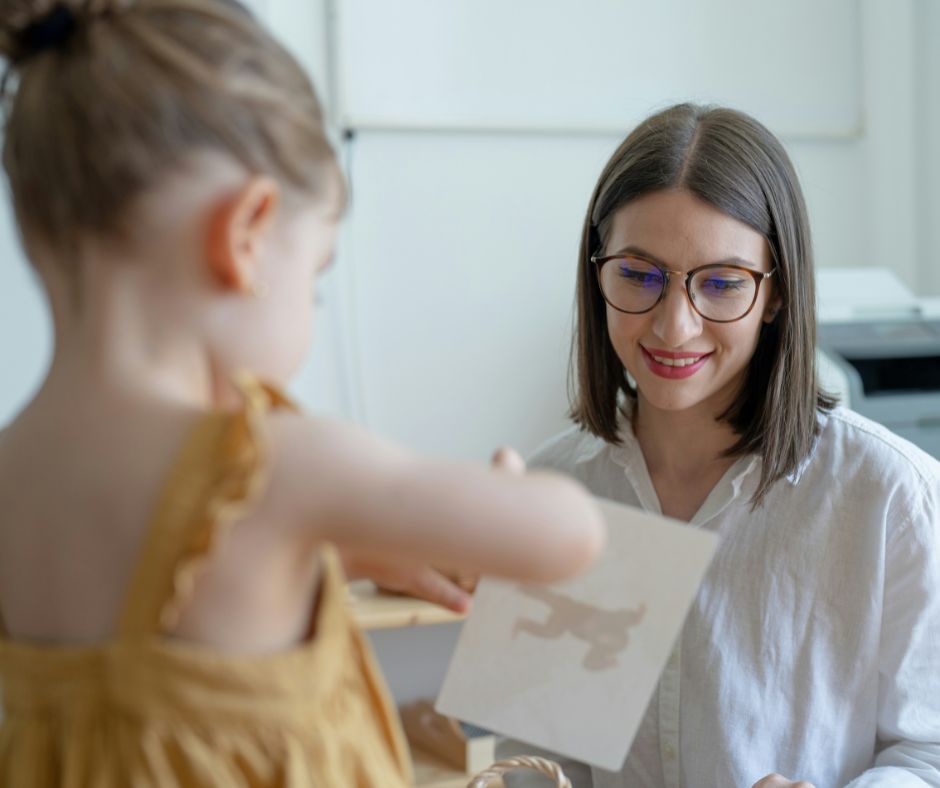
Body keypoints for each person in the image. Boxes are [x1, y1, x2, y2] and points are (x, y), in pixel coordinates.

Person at [0, 1, 605, 785]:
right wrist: (505, 495)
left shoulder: (16, 474)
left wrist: (340, 551)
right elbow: (568, 538)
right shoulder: (275, 463)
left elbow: (163, 615)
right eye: (315, 277)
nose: (310, 307)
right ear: (246, 234)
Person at [504, 104, 940, 787]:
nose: (675, 326)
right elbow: (539, 760)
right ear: (597, 273)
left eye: (723, 283)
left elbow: (929, 753)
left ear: (776, 294)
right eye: (639, 275)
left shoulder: (891, 495)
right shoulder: (556, 492)